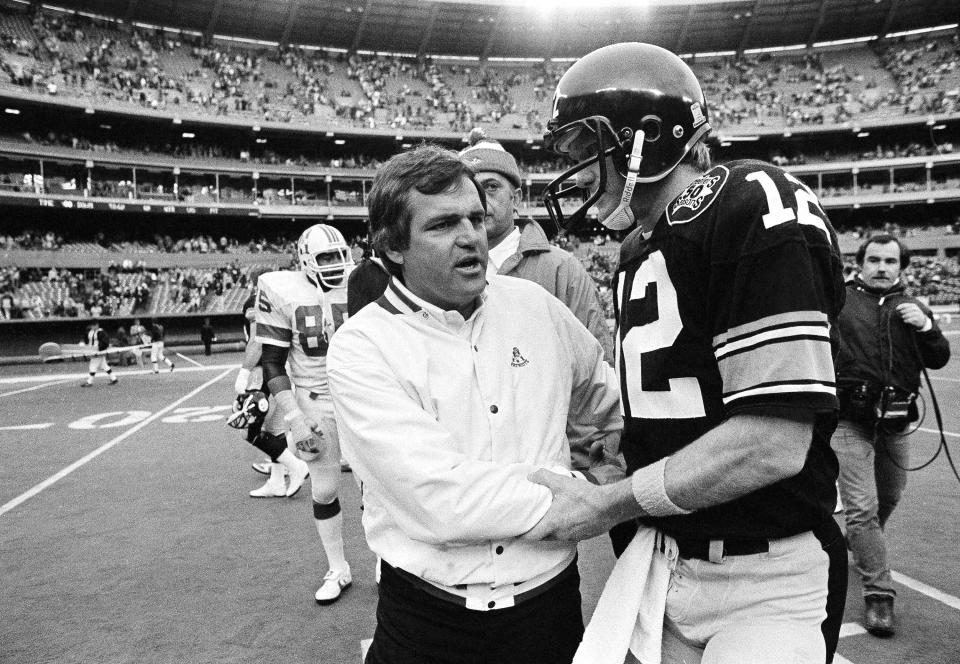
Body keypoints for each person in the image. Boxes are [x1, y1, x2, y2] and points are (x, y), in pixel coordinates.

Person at [532, 42, 848, 664]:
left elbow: (771, 444)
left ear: (644, 138)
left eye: (584, 151)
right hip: (660, 559)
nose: (577, 173)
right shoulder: (639, 249)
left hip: (767, 572)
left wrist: (605, 504)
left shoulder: (749, 198)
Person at [327, 144, 623, 664]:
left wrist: (616, 459)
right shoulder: (361, 345)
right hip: (427, 624)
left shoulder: (536, 307)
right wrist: (585, 496)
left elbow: (611, 403)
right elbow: (440, 501)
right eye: (442, 225)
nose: (470, 236)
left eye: (476, 218)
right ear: (393, 246)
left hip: (548, 613)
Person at [833, 234, 950, 637]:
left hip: (896, 418)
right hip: (849, 419)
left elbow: (938, 358)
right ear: (861, 263)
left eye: (890, 261)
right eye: (875, 260)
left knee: (891, 495)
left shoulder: (913, 307)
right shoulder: (840, 301)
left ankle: (859, 542)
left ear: (902, 267)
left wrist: (930, 328)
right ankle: (879, 594)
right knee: (861, 506)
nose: (882, 267)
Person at [256, 224, 356, 605]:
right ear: (306, 260)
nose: (335, 264)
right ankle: (338, 567)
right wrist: (294, 419)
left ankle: (385, 560)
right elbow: (272, 362)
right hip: (315, 402)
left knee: (375, 488)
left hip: (361, 398)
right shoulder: (284, 290)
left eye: (339, 255)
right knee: (325, 488)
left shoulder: (365, 280)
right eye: (326, 257)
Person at [459, 126, 614, 364]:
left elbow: (598, 369)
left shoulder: (561, 269)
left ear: (516, 198)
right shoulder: (444, 269)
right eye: (470, 189)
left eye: (491, 187)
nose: (480, 199)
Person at [229, 267, 309, 499]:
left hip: (263, 371)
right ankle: (276, 481)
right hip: (281, 370)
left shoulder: (257, 301)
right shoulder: (280, 299)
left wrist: (244, 372)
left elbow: (257, 340)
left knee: (248, 430)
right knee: (274, 431)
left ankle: (296, 466)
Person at [80, 320, 118, 387]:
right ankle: (114, 378)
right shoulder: (90, 331)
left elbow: (105, 342)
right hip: (92, 351)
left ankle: (89, 382)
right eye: (92, 325)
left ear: (97, 325)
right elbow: (86, 339)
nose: (92, 327)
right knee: (104, 366)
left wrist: (100, 349)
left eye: (93, 325)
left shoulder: (101, 332)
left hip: (98, 352)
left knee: (92, 366)